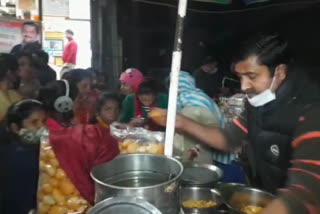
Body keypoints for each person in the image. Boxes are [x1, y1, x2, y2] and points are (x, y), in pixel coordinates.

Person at [153, 33, 320, 214]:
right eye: (240, 77)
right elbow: (228, 139)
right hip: (267, 197)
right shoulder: (257, 102)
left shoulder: (311, 111)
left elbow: (307, 192)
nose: (243, 86)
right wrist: (181, 122)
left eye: (252, 76)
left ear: (279, 72)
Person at [38, 80, 119, 204]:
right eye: (76, 99)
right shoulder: (54, 130)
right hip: (68, 194)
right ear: (64, 103)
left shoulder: (63, 123)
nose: (79, 102)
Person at [174, 71, 245, 182]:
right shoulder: (199, 96)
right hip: (217, 148)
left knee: (226, 185)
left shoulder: (191, 100)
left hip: (221, 150)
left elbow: (209, 126)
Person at [0, 100, 46, 214]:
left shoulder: (31, 148)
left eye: (43, 121)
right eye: (34, 122)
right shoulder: (17, 156)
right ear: (15, 128)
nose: (41, 126)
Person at [0, 54, 22, 120]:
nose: (19, 73)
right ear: (9, 72)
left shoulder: (14, 94)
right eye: (18, 70)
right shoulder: (15, 95)